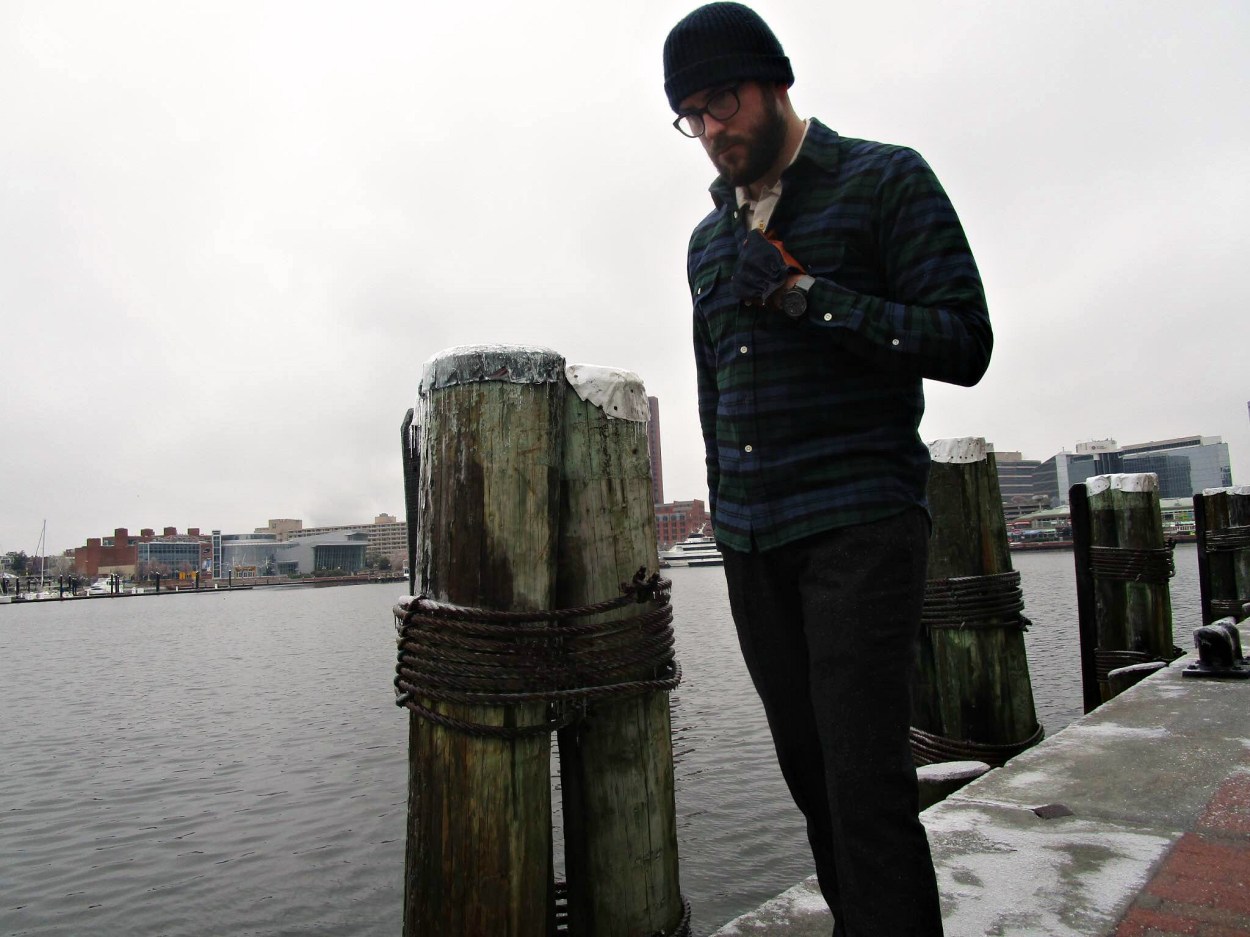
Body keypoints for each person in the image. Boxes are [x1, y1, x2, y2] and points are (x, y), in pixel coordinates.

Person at [663, 4, 992, 935]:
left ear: (774, 82)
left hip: (860, 521)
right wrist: (726, 522)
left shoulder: (886, 180)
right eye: (691, 113)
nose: (711, 128)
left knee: (865, 783)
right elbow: (711, 389)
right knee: (811, 780)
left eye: (721, 100)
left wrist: (811, 298)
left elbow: (966, 341)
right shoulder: (707, 241)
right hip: (755, 541)